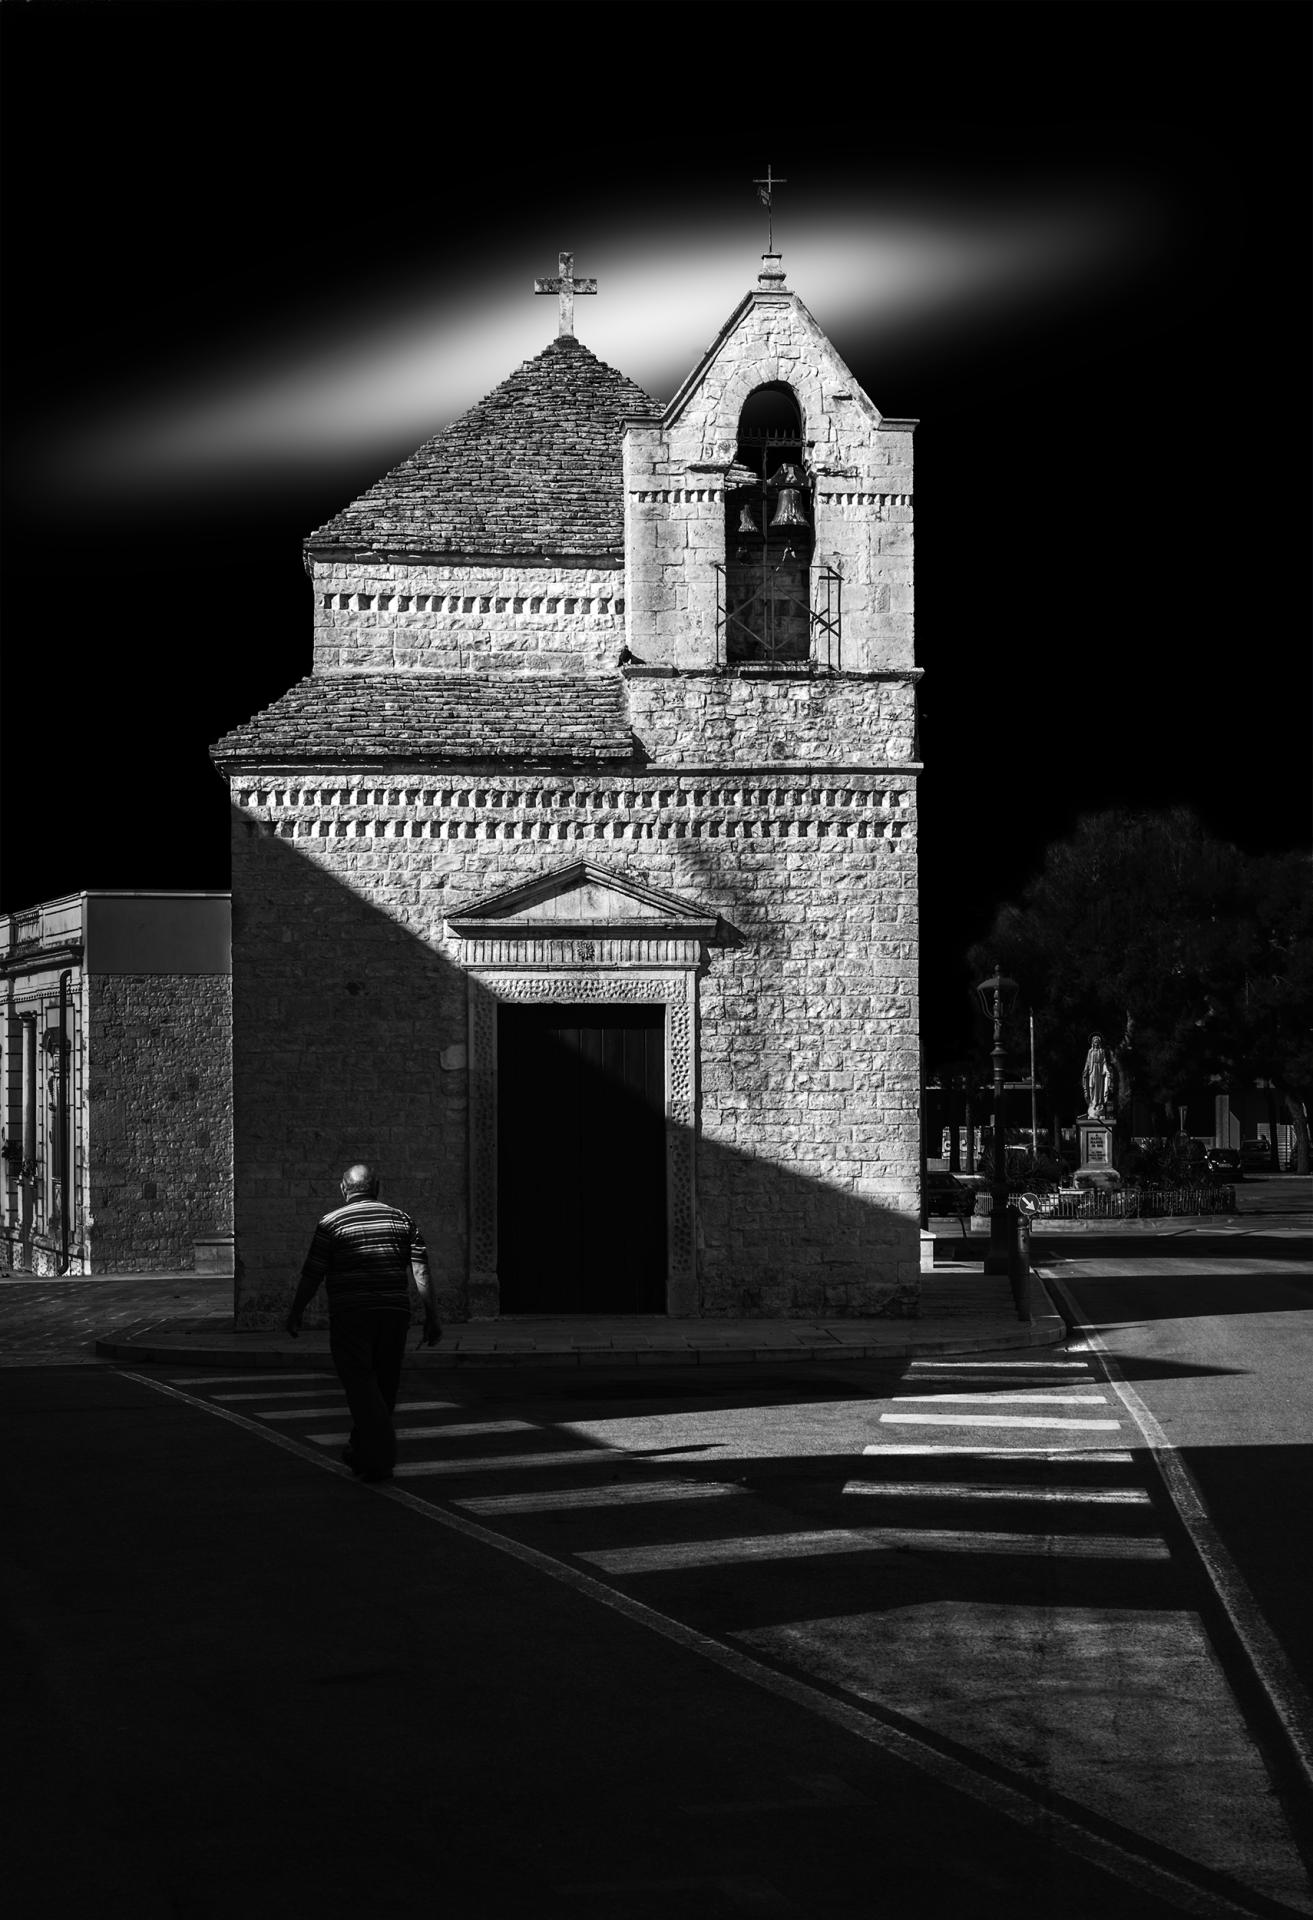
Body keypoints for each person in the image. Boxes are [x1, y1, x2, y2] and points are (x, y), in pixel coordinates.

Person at [284, 1163, 440, 1484]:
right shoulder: (402, 1219)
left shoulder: (329, 1224)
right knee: (384, 1386)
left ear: (344, 1189)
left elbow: (312, 1273)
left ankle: (380, 1458)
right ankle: (360, 1448)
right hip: (394, 1314)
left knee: (360, 1384)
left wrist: (296, 1311)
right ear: (378, 1187)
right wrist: (431, 1316)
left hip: (351, 1316)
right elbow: (421, 1271)